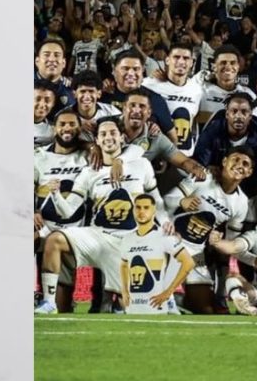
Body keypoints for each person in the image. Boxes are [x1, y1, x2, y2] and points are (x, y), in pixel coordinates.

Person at [36, 118, 165, 314]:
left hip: (130, 240)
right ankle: (49, 302)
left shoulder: (141, 164)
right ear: (96, 140)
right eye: (103, 134)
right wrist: (55, 195)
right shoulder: (89, 172)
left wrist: (166, 224)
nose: (108, 137)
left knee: (133, 307)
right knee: (54, 240)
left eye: (113, 133)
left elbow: (157, 201)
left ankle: (134, 302)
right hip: (98, 236)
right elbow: (67, 211)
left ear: (122, 138)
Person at [169, 147, 252, 314]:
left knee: (206, 310)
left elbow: (231, 244)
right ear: (224, 161)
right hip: (169, 240)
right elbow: (165, 200)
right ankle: (166, 299)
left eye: (245, 164)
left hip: (195, 252)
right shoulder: (203, 176)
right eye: (235, 159)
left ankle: (179, 301)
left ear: (249, 172)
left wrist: (218, 241)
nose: (239, 165)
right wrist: (182, 202)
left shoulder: (242, 202)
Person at [192, 92, 257, 210]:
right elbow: (198, 163)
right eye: (234, 111)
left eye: (244, 112)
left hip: (246, 195)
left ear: (250, 116)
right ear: (227, 114)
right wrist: (207, 169)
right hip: (213, 188)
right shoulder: (214, 129)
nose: (239, 116)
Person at [33, 108, 89, 312]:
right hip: (44, 228)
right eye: (62, 124)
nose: (67, 128)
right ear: (54, 128)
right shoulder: (38, 157)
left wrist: (93, 147)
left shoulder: (89, 157)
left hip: (74, 232)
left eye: (72, 124)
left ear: (80, 128)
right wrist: (32, 210)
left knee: (62, 307)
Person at [119, 194, 194, 314]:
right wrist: (124, 291)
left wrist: (168, 293)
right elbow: (123, 265)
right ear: (133, 210)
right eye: (138, 207)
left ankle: (172, 304)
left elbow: (188, 263)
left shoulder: (165, 236)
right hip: (133, 309)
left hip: (157, 308)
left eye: (146, 207)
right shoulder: (127, 239)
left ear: (154, 210)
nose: (141, 211)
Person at [142, 43, 204, 156]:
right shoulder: (149, 84)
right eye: (176, 57)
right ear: (167, 60)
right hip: (157, 154)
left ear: (191, 62)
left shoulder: (197, 90)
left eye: (186, 58)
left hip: (186, 154)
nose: (181, 61)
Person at [196, 45, 256, 126]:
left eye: (232, 63)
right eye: (223, 62)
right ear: (214, 66)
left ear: (238, 67)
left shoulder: (249, 95)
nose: (228, 67)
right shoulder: (201, 91)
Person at [67, 70, 122, 141]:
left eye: (91, 91)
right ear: (74, 94)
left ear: (99, 94)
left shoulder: (112, 112)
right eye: (82, 91)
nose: (87, 96)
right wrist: (75, 125)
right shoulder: (64, 116)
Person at [35, 38, 73, 108]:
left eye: (57, 55)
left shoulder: (72, 89)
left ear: (64, 63)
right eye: (46, 55)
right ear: (37, 61)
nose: (52, 59)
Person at [34, 80, 59, 147]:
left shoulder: (54, 131)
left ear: (53, 104)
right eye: (37, 99)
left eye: (47, 100)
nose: (42, 104)